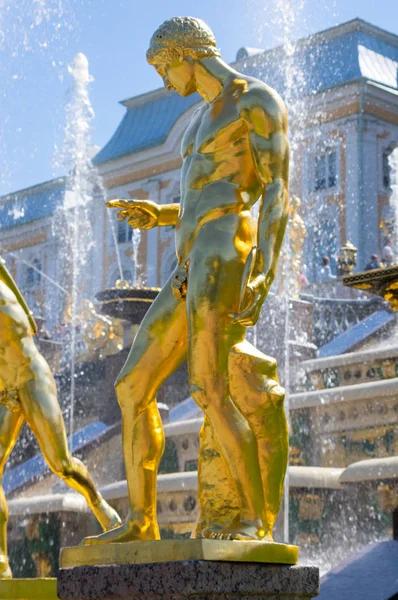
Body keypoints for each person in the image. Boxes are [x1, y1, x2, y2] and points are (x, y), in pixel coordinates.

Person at [84, 16, 289, 545]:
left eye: (164, 69)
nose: (164, 82)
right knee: (132, 387)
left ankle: (254, 521)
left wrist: (265, 264)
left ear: (185, 55)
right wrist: (161, 215)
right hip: (188, 259)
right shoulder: (198, 121)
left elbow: (275, 192)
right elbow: (205, 193)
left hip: (225, 251)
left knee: (208, 387)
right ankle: (141, 523)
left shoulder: (256, 101)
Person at [0, 257, 121, 578]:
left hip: (30, 374)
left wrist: (26, 313)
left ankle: (99, 504)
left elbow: (3, 269)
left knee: (60, 463)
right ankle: (1, 563)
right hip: (2, 387)